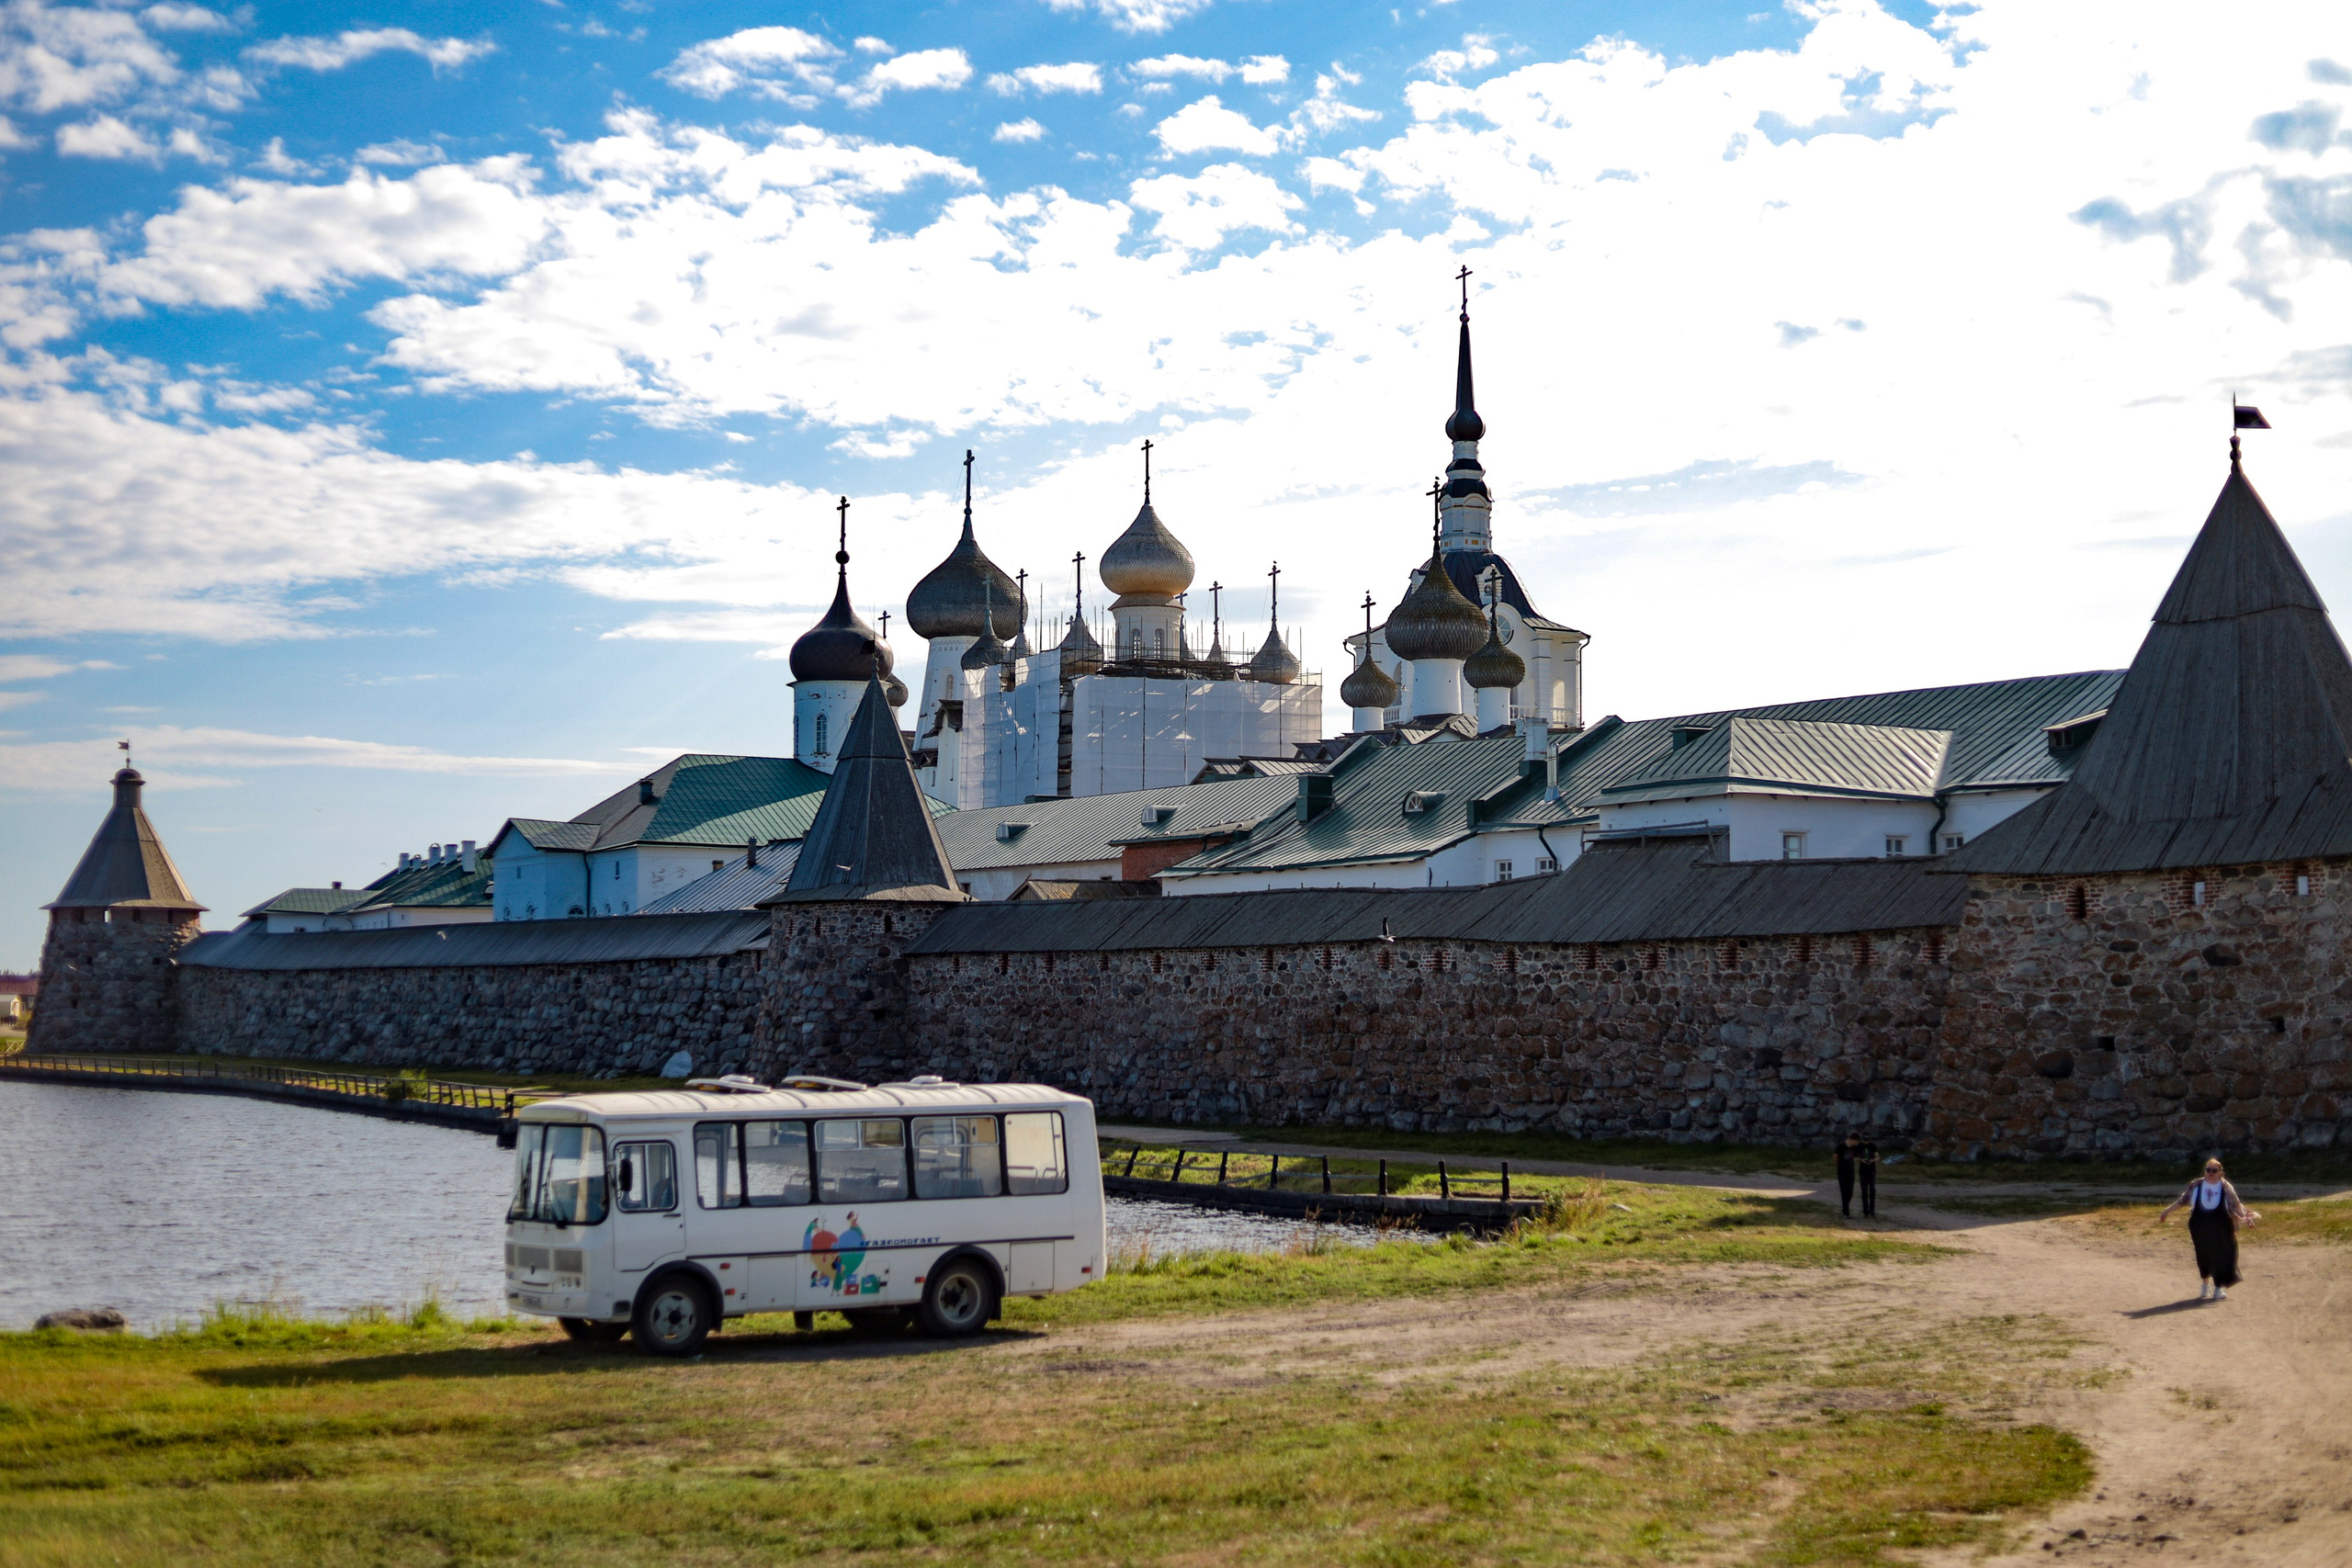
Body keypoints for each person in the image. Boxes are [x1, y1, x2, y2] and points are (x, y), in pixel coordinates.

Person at [2157, 1157, 2260, 1300]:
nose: (2211, 1173)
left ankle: (2219, 1287)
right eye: (2208, 1169)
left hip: (2222, 1225)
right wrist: (2166, 1211)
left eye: (2214, 1170)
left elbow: (2236, 1205)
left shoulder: (2226, 1187)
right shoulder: (2196, 1185)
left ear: (2220, 1173)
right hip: (2200, 1225)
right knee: (2204, 1254)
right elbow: (2182, 1201)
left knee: (2225, 1254)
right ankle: (2205, 1286)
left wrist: (2247, 1220)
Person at [1835, 1132, 1860, 1216]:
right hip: (1842, 1171)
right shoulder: (1841, 1146)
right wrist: (1840, 1164)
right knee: (1844, 1191)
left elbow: (1855, 1157)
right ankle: (1846, 1211)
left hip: (1851, 1171)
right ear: (1852, 1140)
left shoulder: (1853, 1148)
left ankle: (1846, 1206)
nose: (1856, 1143)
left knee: (1850, 1191)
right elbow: (1835, 1157)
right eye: (1856, 1142)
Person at [1856, 1134, 1881, 1218]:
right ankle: (1865, 1211)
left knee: (1872, 1189)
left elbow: (1878, 1157)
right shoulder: (1859, 1146)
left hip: (1871, 1169)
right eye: (1865, 1140)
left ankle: (1872, 1209)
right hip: (1863, 1169)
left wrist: (1872, 1160)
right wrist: (1861, 1160)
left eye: (1867, 1140)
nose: (1866, 1142)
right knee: (1864, 1190)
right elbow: (1854, 1157)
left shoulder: (1872, 1145)